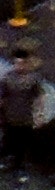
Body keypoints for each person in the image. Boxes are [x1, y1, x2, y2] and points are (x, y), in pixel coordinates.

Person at [0, 40, 45, 175]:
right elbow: (1, 97)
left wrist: (39, 115)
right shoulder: (7, 79)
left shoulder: (33, 79)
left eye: (22, 63)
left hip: (25, 118)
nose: (19, 66)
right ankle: (6, 159)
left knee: (22, 143)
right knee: (8, 140)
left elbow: (38, 98)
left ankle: (18, 165)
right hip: (9, 116)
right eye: (17, 63)